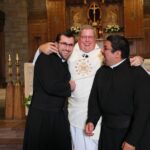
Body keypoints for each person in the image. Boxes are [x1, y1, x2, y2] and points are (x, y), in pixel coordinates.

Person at [33, 25, 144, 150]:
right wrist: (40, 48)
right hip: (74, 111)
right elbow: (49, 61)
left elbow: (120, 61)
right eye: (83, 37)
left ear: (95, 39)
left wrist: (140, 59)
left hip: (98, 113)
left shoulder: (102, 53)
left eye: (90, 37)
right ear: (78, 39)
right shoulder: (69, 51)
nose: (87, 40)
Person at [85, 35, 150, 150]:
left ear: (117, 54)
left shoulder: (137, 73)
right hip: (107, 133)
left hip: (130, 134)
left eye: (105, 48)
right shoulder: (101, 72)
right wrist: (91, 120)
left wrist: (132, 140)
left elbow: (143, 111)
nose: (102, 51)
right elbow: (95, 99)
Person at [23, 31, 76, 150]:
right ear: (55, 44)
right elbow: (50, 86)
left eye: (71, 45)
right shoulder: (46, 57)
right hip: (42, 117)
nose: (67, 48)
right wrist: (69, 87)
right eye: (64, 44)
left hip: (57, 115)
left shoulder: (63, 60)